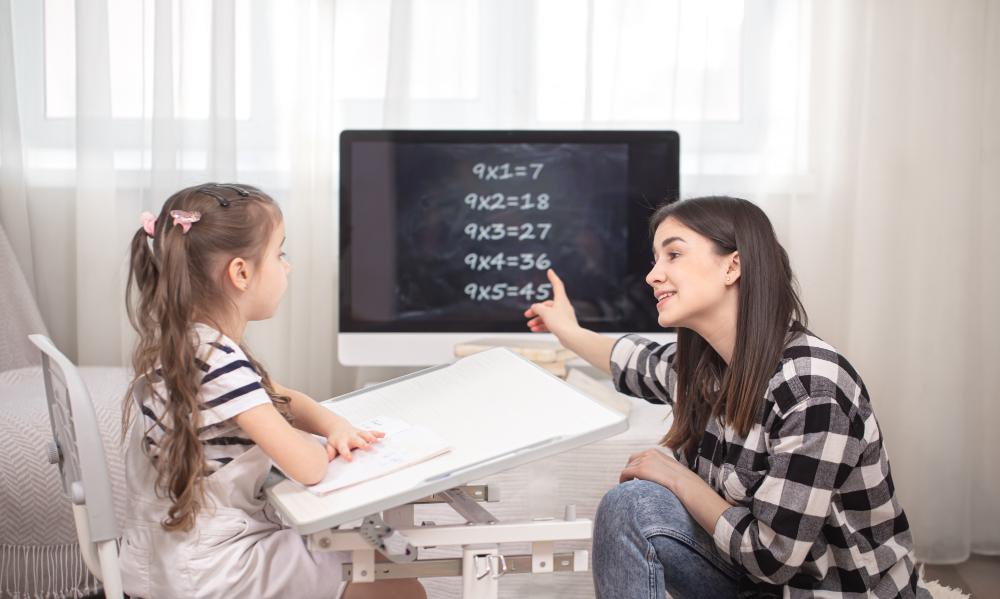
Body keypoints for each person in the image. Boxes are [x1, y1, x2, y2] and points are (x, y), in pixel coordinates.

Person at [525, 196, 931, 599]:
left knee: (634, 503)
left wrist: (678, 478)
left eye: (673, 255)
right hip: (751, 583)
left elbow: (773, 556)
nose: (653, 275)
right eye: (655, 260)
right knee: (629, 505)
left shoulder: (812, 389)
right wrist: (566, 329)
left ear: (733, 265)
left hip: (831, 590)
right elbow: (630, 360)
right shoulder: (707, 368)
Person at [119, 183, 426, 599]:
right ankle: (410, 575)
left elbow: (281, 398)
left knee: (380, 546)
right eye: (280, 253)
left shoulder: (188, 345)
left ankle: (399, 561)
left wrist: (334, 425)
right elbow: (309, 468)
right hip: (217, 568)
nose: (287, 267)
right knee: (393, 579)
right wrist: (314, 444)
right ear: (241, 273)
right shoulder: (219, 363)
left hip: (170, 555)